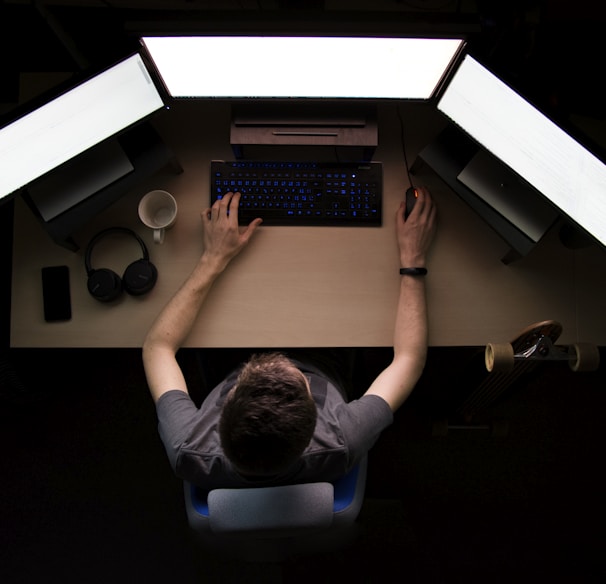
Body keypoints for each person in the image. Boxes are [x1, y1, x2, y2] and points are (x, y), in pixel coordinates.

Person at [143, 187, 437, 489]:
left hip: (227, 358)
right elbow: (409, 359)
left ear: (226, 403)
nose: (281, 356)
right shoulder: (341, 438)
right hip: (327, 360)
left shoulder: (187, 447)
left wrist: (212, 257)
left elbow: (157, 347)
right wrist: (413, 257)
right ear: (314, 419)